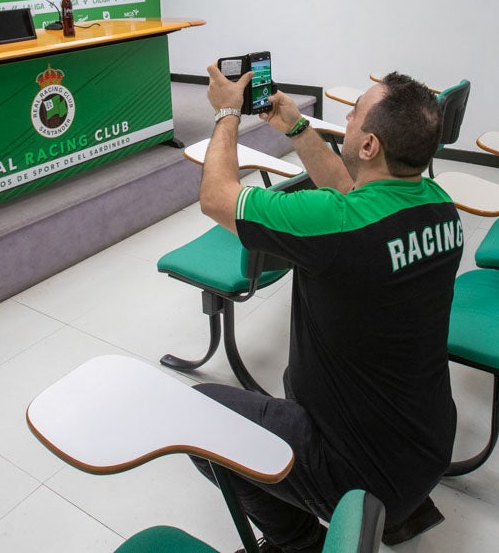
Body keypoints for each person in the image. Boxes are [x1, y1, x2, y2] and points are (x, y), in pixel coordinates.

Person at [196, 67, 463, 552]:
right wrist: (298, 128)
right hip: (426, 448)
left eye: (355, 112)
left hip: (358, 474)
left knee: (199, 415)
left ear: (369, 146)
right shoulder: (441, 207)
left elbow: (216, 198)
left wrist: (226, 112)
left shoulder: (335, 229)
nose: (348, 115)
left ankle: (298, 542)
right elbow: (352, 194)